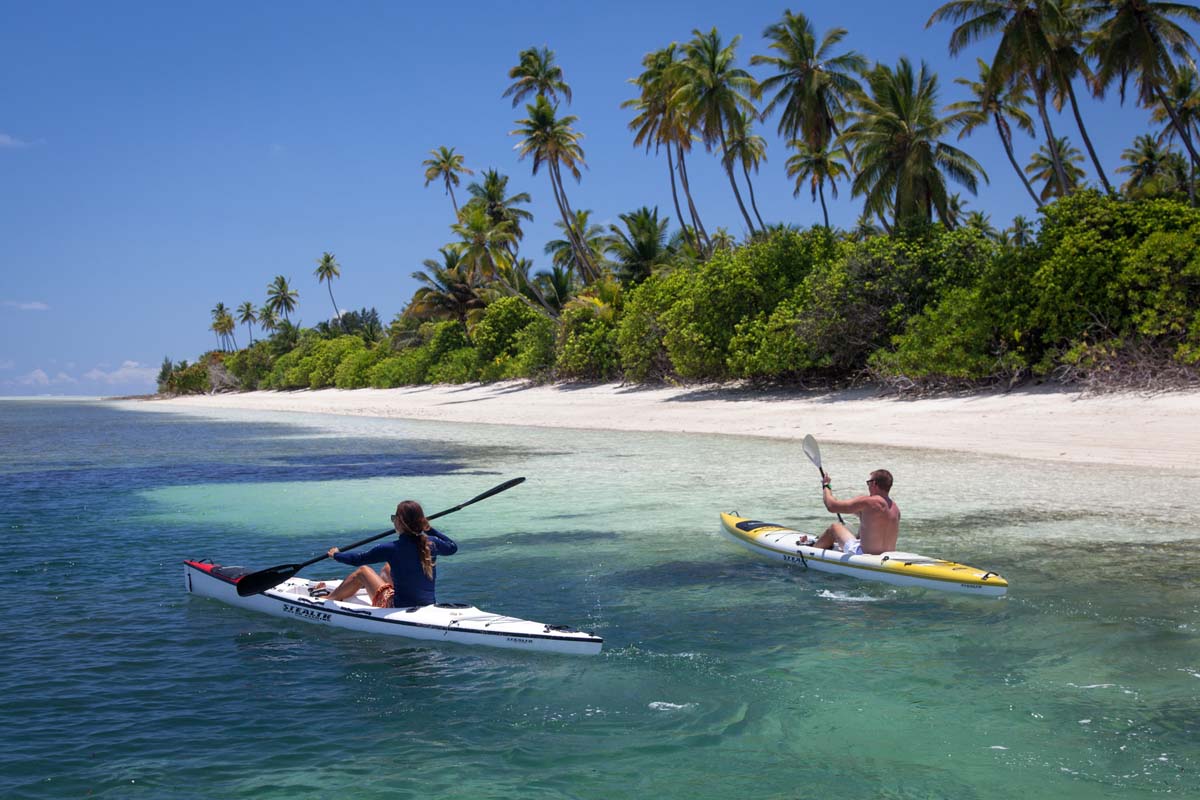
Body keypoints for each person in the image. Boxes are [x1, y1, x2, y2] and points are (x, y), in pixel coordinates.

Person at [322, 500, 458, 607]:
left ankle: (329, 599)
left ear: (399, 522)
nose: (393, 521)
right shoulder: (431, 543)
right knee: (387, 568)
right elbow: (452, 547)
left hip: (397, 606)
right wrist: (429, 529)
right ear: (421, 522)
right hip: (427, 603)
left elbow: (357, 559)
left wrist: (336, 555)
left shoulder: (391, 548)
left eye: (394, 518)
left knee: (363, 571)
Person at [805, 469, 900, 556]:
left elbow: (831, 506)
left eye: (868, 483)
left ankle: (811, 552)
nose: (868, 486)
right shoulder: (895, 509)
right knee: (859, 529)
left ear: (874, 483)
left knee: (834, 528)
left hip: (864, 554)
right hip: (887, 556)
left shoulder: (868, 501)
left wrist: (826, 485)